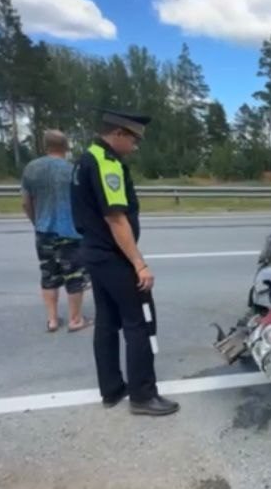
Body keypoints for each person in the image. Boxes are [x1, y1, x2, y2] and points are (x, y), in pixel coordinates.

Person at [70, 108, 179, 417]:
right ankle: (143, 396)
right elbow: (116, 219)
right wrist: (139, 264)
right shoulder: (106, 164)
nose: (136, 146)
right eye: (134, 139)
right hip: (113, 255)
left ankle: (112, 388)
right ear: (117, 134)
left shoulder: (85, 158)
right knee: (139, 322)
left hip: (93, 252)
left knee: (106, 322)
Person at [21, 129, 92, 333]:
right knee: (74, 276)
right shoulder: (72, 170)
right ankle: (75, 319)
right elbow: (83, 203)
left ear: (45, 146)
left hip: (44, 231)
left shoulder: (31, 169)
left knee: (48, 274)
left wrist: (37, 222)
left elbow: (26, 202)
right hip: (69, 231)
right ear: (66, 146)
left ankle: (52, 320)